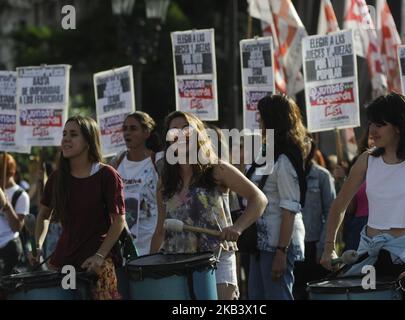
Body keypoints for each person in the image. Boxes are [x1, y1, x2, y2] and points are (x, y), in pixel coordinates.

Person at [321, 93, 405, 300]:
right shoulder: (367, 160)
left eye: (380, 124)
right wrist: (329, 248)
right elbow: (339, 205)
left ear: (398, 126)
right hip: (368, 256)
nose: (372, 131)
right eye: (371, 124)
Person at [150, 111, 268, 300]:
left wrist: (237, 227)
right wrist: (151, 268)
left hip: (217, 258)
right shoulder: (164, 181)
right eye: (174, 131)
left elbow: (259, 199)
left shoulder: (217, 169)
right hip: (177, 261)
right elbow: (160, 230)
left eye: (186, 129)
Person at [31, 116, 126, 300]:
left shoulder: (107, 175)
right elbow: (43, 214)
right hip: (64, 264)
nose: (66, 139)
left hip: (97, 264)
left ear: (88, 141)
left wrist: (99, 256)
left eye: (73, 134)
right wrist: (37, 245)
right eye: (64, 134)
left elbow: (119, 221)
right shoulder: (57, 178)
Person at [246, 94, 307, 300]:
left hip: (277, 243)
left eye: (262, 117)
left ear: (273, 120)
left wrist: (281, 252)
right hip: (261, 242)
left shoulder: (285, 158)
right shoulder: (267, 152)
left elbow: (289, 208)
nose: (258, 122)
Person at [110, 111, 160, 256]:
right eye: (125, 129)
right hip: (124, 247)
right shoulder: (118, 161)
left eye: (133, 128)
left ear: (146, 132)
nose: (127, 133)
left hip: (152, 244)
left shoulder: (158, 161)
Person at [294, 133, 336, 299]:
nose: (303, 146)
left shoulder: (322, 176)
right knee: (295, 292)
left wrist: (324, 246)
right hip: (292, 244)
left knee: (317, 292)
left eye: (306, 141)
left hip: (314, 245)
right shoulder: (286, 173)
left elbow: (332, 212)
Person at [342, 129, 374, 252]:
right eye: (371, 136)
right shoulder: (359, 163)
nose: (374, 140)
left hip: (385, 229)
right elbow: (349, 207)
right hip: (358, 227)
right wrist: (343, 182)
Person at [0, 154, 30, 276]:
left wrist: (6, 205)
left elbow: (17, 227)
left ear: (11, 173)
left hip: (8, 247)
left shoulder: (21, 195)